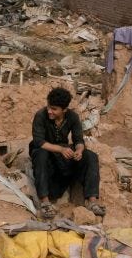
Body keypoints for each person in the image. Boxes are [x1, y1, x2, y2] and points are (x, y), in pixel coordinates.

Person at [30, 87, 104, 220]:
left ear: (64, 110)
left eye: (54, 109)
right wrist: (61, 150)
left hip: (62, 152)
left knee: (91, 156)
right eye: (48, 107)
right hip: (45, 151)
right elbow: (39, 142)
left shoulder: (72, 117)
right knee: (41, 154)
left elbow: (78, 140)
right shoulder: (40, 115)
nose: (49, 111)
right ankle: (45, 202)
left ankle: (92, 201)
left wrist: (79, 151)